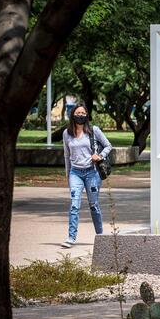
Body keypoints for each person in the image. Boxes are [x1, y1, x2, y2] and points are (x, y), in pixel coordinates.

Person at [61, 104, 112, 248]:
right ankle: (71, 237)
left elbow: (108, 145)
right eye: (78, 113)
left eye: (84, 113)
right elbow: (66, 155)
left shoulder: (94, 131)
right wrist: (68, 175)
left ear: (87, 115)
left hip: (92, 172)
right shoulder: (67, 133)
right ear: (72, 115)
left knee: (93, 205)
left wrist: (100, 155)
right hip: (75, 173)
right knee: (74, 205)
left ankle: (100, 236)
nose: (81, 115)